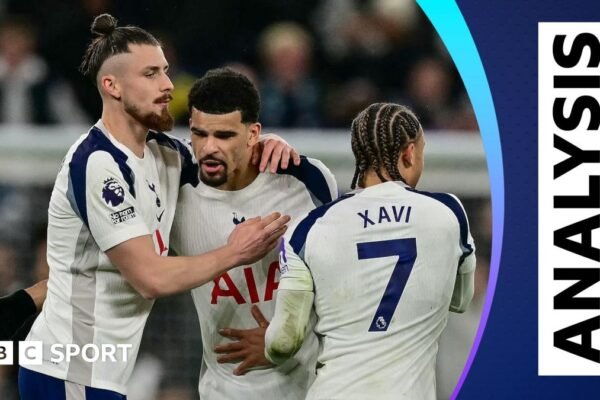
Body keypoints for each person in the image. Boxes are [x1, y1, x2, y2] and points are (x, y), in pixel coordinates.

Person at [19, 14, 294, 400]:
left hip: (101, 374)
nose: (167, 85)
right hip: (66, 371)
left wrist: (264, 144)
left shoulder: (166, 154)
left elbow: (224, 159)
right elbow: (150, 278)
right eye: (150, 74)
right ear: (112, 86)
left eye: (165, 71)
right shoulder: (98, 164)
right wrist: (234, 252)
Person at [265, 103, 476, 399]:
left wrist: (269, 347)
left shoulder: (308, 228)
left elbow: (283, 342)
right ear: (409, 153)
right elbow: (460, 300)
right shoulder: (449, 212)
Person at [170, 67, 337, 400]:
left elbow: (335, 283)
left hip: (310, 388)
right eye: (200, 134)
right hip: (224, 391)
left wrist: (282, 340)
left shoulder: (306, 181)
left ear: (253, 134)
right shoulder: (176, 195)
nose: (209, 148)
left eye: (224, 136)